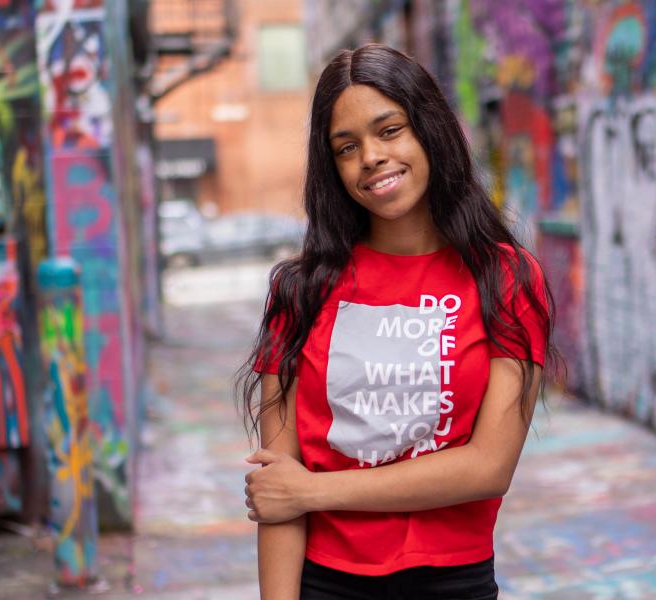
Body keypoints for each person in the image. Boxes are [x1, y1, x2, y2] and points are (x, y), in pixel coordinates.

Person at [237, 43, 556, 600]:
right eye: (347, 147)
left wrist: (316, 492)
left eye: (390, 130)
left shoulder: (505, 280)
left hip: (455, 583)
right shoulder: (299, 292)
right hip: (324, 585)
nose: (371, 157)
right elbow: (277, 493)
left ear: (429, 130)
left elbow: (487, 467)